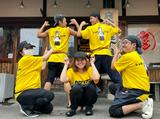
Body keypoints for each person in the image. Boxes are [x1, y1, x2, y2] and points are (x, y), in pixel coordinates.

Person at [109, 35, 153, 119]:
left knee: (114, 110)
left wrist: (116, 53)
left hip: (136, 91)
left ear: (134, 45)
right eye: (123, 42)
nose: (123, 45)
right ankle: (130, 104)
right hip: (142, 89)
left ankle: (143, 104)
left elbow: (113, 67)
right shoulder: (136, 55)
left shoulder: (128, 56)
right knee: (113, 87)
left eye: (126, 42)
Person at [77, 13, 121, 92]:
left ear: (97, 18)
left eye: (91, 18)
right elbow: (118, 30)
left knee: (93, 75)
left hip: (96, 55)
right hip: (106, 54)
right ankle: (122, 91)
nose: (90, 21)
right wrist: (109, 22)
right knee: (115, 75)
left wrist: (81, 25)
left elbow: (79, 34)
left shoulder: (90, 28)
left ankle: (93, 91)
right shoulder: (107, 27)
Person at [37, 14, 79, 91]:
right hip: (62, 59)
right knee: (65, 80)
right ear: (60, 22)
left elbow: (39, 35)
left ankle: (44, 99)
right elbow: (79, 34)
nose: (66, 23)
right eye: (65, 21)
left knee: (49, 79)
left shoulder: (50, 30)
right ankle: (70, 101)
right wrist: (76, 23)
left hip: (52, 58)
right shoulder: (67, 30)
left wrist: (44, 25)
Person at [15, 41, 54, 117]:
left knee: (49, 108)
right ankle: (25, 107)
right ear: (21, 52)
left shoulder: (32, 61)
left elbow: (42, 66)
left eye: (31, 48)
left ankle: (33, 108)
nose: (30, 49)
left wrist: (45, 54)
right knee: (49, 95)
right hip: (23, 93)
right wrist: (53, 49)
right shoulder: (25, 59)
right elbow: (45, 58)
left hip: (32, 92)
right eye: (27, 48)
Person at [60, 51, 100, 117]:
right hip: (77, 99)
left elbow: (96, 78)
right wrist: (66, 65)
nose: (80, 62)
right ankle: (73, 109)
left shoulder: (89, 69)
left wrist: (92, 64)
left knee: (90, 86)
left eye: (82, 60)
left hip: (90, 98)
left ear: (86, 61)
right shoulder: (71, 71)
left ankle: (89, 108)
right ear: (74, 62)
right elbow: (63, 79)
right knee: (76, 88)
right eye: (77, 60)